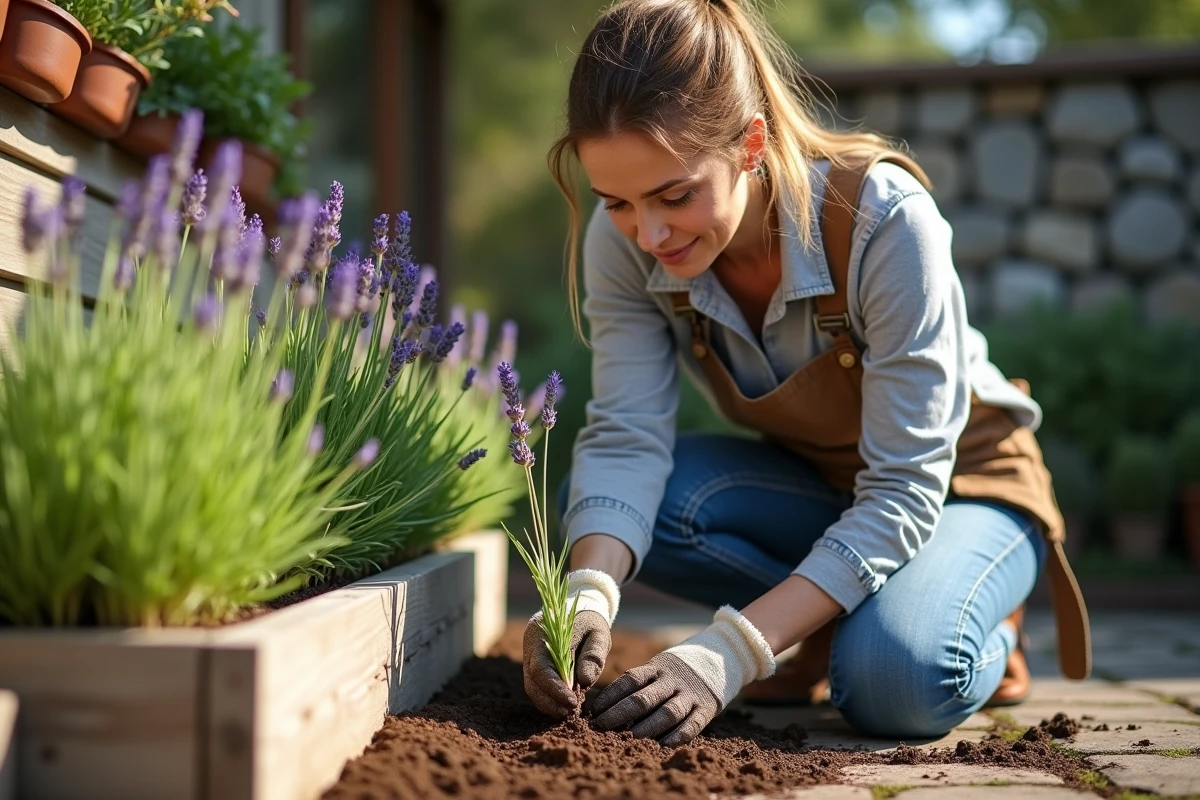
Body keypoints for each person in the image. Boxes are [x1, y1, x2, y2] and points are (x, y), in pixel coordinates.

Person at [523, 0, 1091, 748]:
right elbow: (627, 435)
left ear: (751, 143)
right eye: (617, 202)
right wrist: (583, 598)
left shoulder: (883, 220)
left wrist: (732, 651)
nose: (648, 233)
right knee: (617, 508)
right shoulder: (624, 239)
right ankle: (830, 622)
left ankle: (973, 630)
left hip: (960, 489)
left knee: (893, 683)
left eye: (675, 194)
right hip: (819, 490)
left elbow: (902, 489)